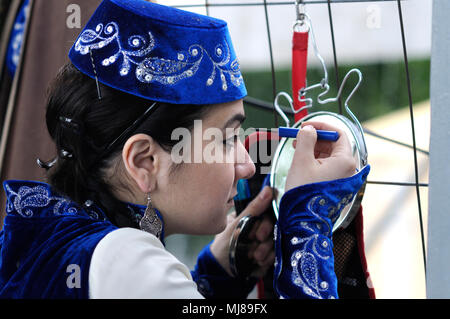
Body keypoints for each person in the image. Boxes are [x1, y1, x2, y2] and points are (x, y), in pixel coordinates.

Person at [0, 0, 369, 299]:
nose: (246, 165)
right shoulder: (131, 265)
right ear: (145, 161)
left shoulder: (54, 234)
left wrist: (217, 273)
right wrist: (307, 221)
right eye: (226, 139)